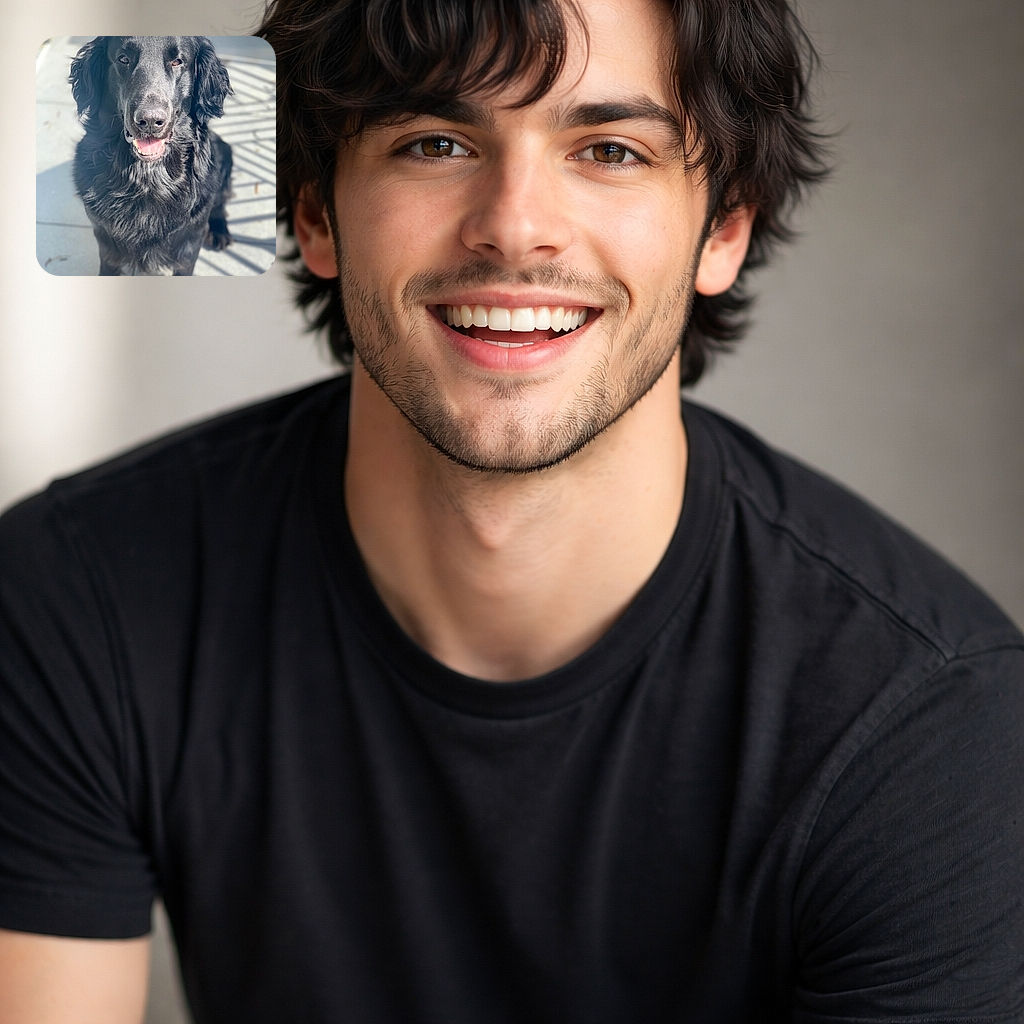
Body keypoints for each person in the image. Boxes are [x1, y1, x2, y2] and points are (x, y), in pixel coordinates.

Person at [1, 0, 1021, 1020]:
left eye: (611, 150)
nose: (514, 224)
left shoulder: (934, 729)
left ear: (725, 228)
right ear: (315, 212)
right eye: (436, 141)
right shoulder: (75, 600)